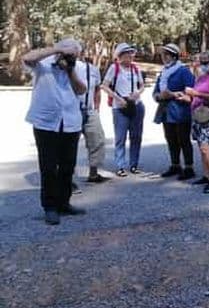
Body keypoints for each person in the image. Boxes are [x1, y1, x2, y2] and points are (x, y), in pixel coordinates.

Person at [22, 37, 87, 225]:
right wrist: (57, 50)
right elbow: (27, 58)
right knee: (48, 167)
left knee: (67, 166)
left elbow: (81, 90)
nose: (70, 56)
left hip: (71, 123)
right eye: (68, 52)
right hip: (46, 123)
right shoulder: (43, 63)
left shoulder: (78, 67)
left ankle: (64, 203)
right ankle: (50, 207)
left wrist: (70, 70)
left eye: (74, 53)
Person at [101, 43, 145, 177]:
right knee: (120, 137)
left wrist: (137, 93)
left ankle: (134, 164)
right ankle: (120, 165)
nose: (130, 56)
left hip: (136, 105)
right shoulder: (114, 68)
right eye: (127, 54)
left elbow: (142, 85)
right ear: (120, 56)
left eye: (131, 53)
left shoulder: (135, 69)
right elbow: (104, 85)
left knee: (136, 136)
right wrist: (118, 98)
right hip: (120, 107)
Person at [153, 43, 196, 179]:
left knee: (183, 139)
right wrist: (159, 96)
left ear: (174, 56)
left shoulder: (183, 71)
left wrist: (173, 95)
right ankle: (175, 165)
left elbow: (191, 90)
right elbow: (156, 92)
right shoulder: (163, 72)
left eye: (167, 55)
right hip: (166, 110)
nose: (164, 57)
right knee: (170, 139)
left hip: (180, 110)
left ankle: (189, 167)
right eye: (163, 55)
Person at [185, 50, 209, 194]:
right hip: (198, 115)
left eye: (206, 62)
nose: (203, 65)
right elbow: (195, 96)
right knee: (201, 147)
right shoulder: (201, 77)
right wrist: (187, 97)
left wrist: (196, 93)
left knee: (206, 147)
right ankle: (206, 175)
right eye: (201, 62)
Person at [75, 49, 110, 184]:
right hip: (72, 111)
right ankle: (67, 179)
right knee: (69, 145)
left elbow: (97, 89)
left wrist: (97, 107)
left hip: (89, 110)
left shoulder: (93, 69)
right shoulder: (68, 68)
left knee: (97, 140)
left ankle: (93, 174)